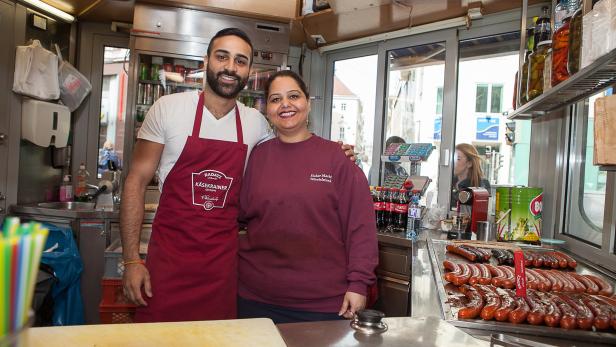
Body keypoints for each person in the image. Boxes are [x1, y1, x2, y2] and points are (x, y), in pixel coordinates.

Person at [120, 28, 354, 323]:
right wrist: (131, 260)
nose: (231, 67)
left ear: (248, 71)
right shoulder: (168, 109)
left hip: (222, 270)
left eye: (240, 61)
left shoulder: (255, 123)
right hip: (167, 266)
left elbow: (292, 145)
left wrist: (333, 154)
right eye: (222, 57)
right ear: (206, 61)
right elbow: (135, 182)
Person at [236, 70, 378, 324]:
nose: (285, 105)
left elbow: (361, 227)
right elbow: (238, 215)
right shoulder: (256, 157)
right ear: (267, 109)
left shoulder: (337, 158)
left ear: (308, 102)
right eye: (275, 99)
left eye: (293, 96)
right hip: (255, 298)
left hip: (323, 303)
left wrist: (358, 284)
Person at [451, 143, 491, 208]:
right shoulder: (449, 183)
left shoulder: (481, 184)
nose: (453, 162)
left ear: (469, 163)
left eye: (458, 159)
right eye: (453, 158)